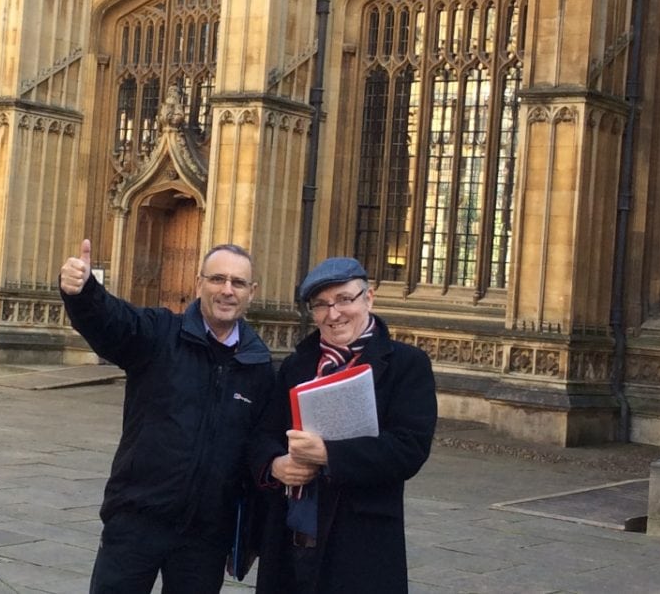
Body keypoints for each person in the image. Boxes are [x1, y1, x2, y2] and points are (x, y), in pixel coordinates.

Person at [59, 239, 275, 594]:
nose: (226, 290)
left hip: (205, 536)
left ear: (251, 292)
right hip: (136, 520)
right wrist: (83, 293)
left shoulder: (259, 366)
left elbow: (259, 445)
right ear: (198, 283)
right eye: (217, 279)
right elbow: (114, 323)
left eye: (237, 283)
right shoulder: (159, 334)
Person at [249, 257, 437, 593]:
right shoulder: (297, 364)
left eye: (344, 300)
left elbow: (409, 449)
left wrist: (328, 454)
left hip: (360, 545)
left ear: (369, 297)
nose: (333, 314)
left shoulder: (406, 365)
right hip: (290, 540)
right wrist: (276, 464)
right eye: (321, 305)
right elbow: (263, 434)